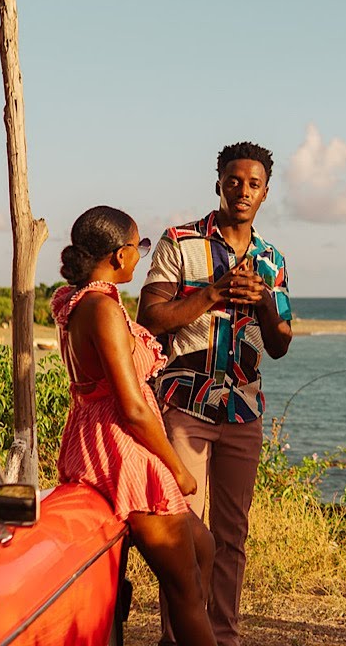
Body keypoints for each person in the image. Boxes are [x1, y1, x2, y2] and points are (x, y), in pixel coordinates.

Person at [137, 141, 292, 646]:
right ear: (218, 183)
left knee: (232, 536)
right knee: (182, 533)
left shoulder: (272, 259)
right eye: (233, 181)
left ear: (266, 193)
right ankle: (178, 637)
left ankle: (223, 635)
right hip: (186, 406)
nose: (242, 191)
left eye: (253, 184)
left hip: (243, 409)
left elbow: (280, 344)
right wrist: (213, 294)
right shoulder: (178, 242)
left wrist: (266, 304)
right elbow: (150, 318)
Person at [52, 206, 215, 646]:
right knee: (186, 589)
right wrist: (177, 469)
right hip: (122, 447)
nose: (142, 255)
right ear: (118, 255)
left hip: (99, 435)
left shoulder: (77, 300)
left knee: (203, 547)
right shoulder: (101, 308)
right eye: (139, 246)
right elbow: (132, 408)